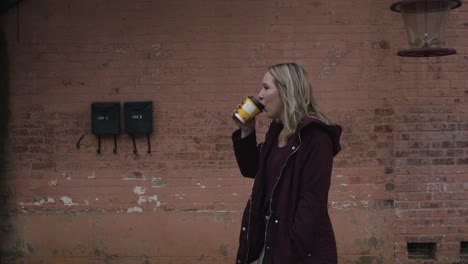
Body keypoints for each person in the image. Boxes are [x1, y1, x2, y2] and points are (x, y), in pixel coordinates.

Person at [231, 63, 342, 264]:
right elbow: (251, 169)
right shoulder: (277, 133)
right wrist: (247, 131)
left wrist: (288, 251)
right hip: (272, 245)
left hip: (299, 253)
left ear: (286, 91)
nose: (260, 95)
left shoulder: (315, 137)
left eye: (266, 87)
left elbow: (311, 203)